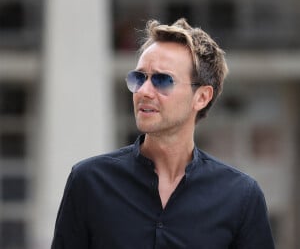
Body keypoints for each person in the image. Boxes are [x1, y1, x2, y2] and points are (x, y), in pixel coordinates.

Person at [51, 18, 275, 248]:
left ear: (202, 97)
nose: (144, 91)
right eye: (139, 78)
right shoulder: (89, 182)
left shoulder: (241, 196)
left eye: (162, 80)